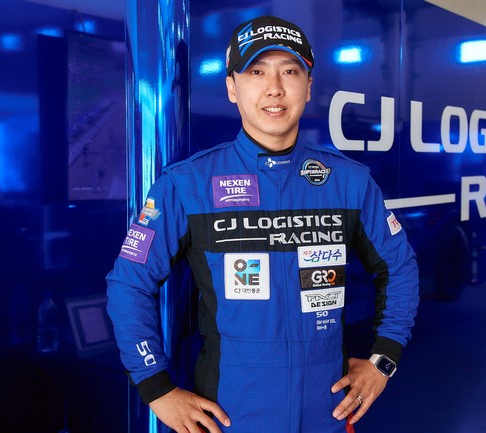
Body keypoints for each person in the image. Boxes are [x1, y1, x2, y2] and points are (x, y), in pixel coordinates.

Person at [106, 15, 419, 433]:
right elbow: (128, 284)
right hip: (230, 417)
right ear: (232, 87)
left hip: (328, 414)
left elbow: (400, 268)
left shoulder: (350, 181)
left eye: (290, 71)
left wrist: (383, 360)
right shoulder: (187, 183)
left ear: (308, 86)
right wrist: (155, 387)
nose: (274, 88)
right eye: (256, 72)